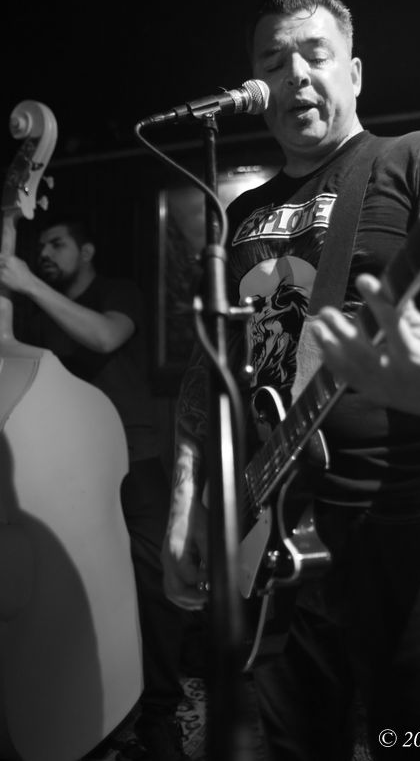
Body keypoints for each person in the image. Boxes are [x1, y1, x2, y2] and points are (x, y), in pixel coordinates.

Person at [161, 0, 420, 760]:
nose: (294, 73)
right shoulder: (241, 216)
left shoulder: (416, 159)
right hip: (267, 530)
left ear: (353, 73)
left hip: (403, 513)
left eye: (314, 54)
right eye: (272, 60)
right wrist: (189, 503)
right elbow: (207, 372)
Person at [0, 215, 188, 761]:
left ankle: (159, 712)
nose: (44, 254)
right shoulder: (32, 312)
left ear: (86, 251)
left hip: (134, 459)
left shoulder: (116, 292)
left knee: (154, 586)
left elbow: (105, 336)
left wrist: (25, 282)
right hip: (65, 472)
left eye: (56, 244)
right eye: (40, 246)